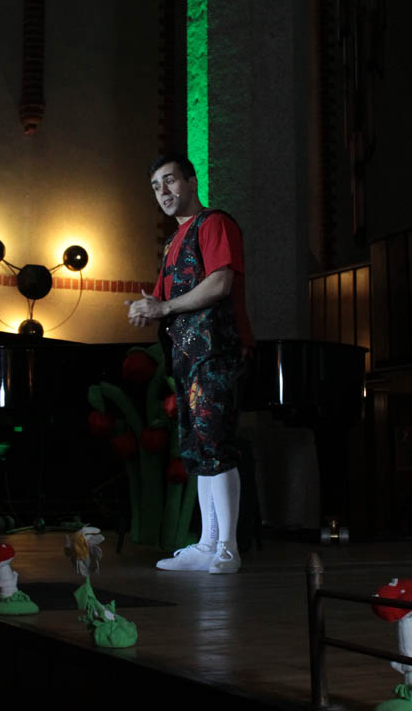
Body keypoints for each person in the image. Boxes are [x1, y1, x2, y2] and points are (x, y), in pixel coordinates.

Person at [126, 155, 254, 574]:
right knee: (198, 451)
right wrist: (148, 307)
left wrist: (162, 307)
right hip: (185, 356)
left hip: (217, 350)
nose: (163, 192)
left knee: (216, 445)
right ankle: (207, 544)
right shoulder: (172, 243)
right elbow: (164, 300)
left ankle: (228, 547)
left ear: (192, 181)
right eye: (155, 187)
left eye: (170, 181)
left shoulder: (214, 223)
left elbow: (220, 282)